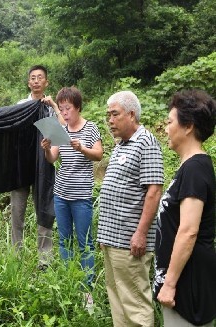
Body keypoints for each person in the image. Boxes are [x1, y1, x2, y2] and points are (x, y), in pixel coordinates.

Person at [97, 90, 164, 326]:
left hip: (130, 242)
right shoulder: (120, 145)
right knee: (118, 301)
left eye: (115, 114)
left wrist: (141, 233)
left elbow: (154, 191)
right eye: (108, 115)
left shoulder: (146, 142)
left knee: (135, 303)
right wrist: (104, 234)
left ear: (132, 114)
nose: (110, 120)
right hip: (112, 240)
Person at [153, 89, 215, 326]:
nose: (165, 128)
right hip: (183, 277)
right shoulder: (191, 167)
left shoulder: (195, 170)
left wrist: (169, 285)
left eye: (170, 122)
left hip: (188, 281)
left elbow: (189, 231)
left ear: (188, 126)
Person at [40, 87, 102, 305]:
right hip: (61, 194)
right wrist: (47, 149)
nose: (65, 113)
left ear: (78, 108)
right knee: (64, 241)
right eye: (62, 109)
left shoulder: (90, 128)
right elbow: (52, 159)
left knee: (85, 242)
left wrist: (82, 148)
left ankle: (87, 289)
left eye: (68, 109)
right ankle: (69, 283)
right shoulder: (61, 130)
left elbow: (98, 154)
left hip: (81, 195)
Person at [10, 65, 65, 268]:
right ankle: (16, 258)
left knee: (45, 210)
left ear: (46, 82)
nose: (35, 81)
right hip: (21, 165)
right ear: (28, 82)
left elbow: (63, 130)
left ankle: (45, 261)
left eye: (40, 77)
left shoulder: (50, 107)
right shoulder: (20, 105)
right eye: (32, 77)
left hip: (44, 164)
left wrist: (54, 106)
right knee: (17, 212)